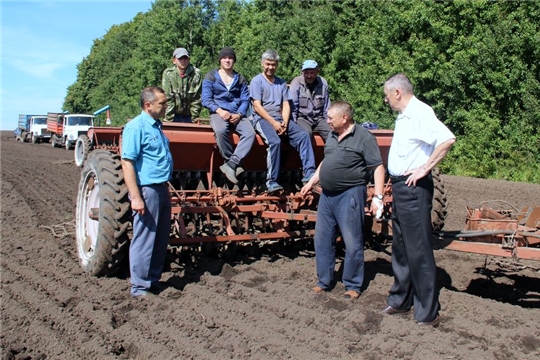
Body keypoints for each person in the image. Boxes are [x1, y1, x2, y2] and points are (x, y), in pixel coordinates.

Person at [382, 73, 456, 326]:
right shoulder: (404, 116)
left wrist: (425, 168)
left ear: (397, 93)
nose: (386, 100)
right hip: (401, 187)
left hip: (414, 188)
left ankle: (427, 312)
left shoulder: (421, 112)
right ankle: (401, 300)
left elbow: (447, 139)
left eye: (387, 95)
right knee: (401, 248)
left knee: (419, 249)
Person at [301, 101, 385, 300]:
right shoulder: (331, 135)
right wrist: (311, 181)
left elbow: (378, 168)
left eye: (330, 118)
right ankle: (324, 281)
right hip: (327, 196)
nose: (327, 121)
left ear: (344, 118)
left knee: (352, 240)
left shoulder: (364, 138)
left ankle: (353, 284)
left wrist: (378, 198)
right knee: (321, 239)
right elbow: (326, 162)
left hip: (350, 195)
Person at [121, 86, 173, 298]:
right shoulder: (136, 127)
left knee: (160, 237)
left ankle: (152, 280)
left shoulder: (157, 127)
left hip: (162, 188)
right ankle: (140, 287)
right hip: (148, 190)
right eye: (162, 103)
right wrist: (136, 197)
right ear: (148, 105)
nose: (165, 106)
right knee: (145, 238)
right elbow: (127, 162)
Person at [250, 49, 316, 193]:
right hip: (262, 119)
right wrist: (273, 123)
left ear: (277, 65)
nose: (270, 67)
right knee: (275, 142)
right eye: (268, 64)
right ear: (262, 64)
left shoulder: (281, 83)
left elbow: (286, 104)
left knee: (304, 135)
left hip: (281, 119)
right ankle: (272, 181)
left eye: (273, 64)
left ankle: (309, 173)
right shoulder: (257, 81)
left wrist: (285, 122)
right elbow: (257, 106)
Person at [201, 46, 255, 184]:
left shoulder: (240, 78)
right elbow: (206, 99)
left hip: (236, 114)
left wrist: (240, 114)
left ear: (234, 61)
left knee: (250, 133)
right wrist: (219, 110)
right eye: (224, 58)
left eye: (230, 58)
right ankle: (229, 160)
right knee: (220, 130)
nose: (227, 60)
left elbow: (245, 99)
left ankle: (232, 164)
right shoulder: (211, 76)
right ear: (220, 60)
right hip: (218, 112)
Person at [289, 60, 331, 141]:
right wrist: (293, 125)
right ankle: (306, 154)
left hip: (319, 119)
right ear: (302, 72)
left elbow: (327, 107)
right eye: (306, 73)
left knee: (332, 133)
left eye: (312, 73)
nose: (309, 76)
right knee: (306, 133)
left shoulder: (323, 83)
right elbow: (293, 106)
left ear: (317, 72)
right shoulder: (296, 82)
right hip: (302, 118)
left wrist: (329, 122)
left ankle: (330, 153)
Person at [162, 47, 202, 123]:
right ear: (174, 60)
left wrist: (195, 119)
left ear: (189, 59)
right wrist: (168, 121)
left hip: (190, 115)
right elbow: (168, 98)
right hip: (173, 115)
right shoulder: (168, 73)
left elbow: (197, 98)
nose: (183, 61)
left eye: (185, 58)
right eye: (180, 59)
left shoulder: (196, 73)